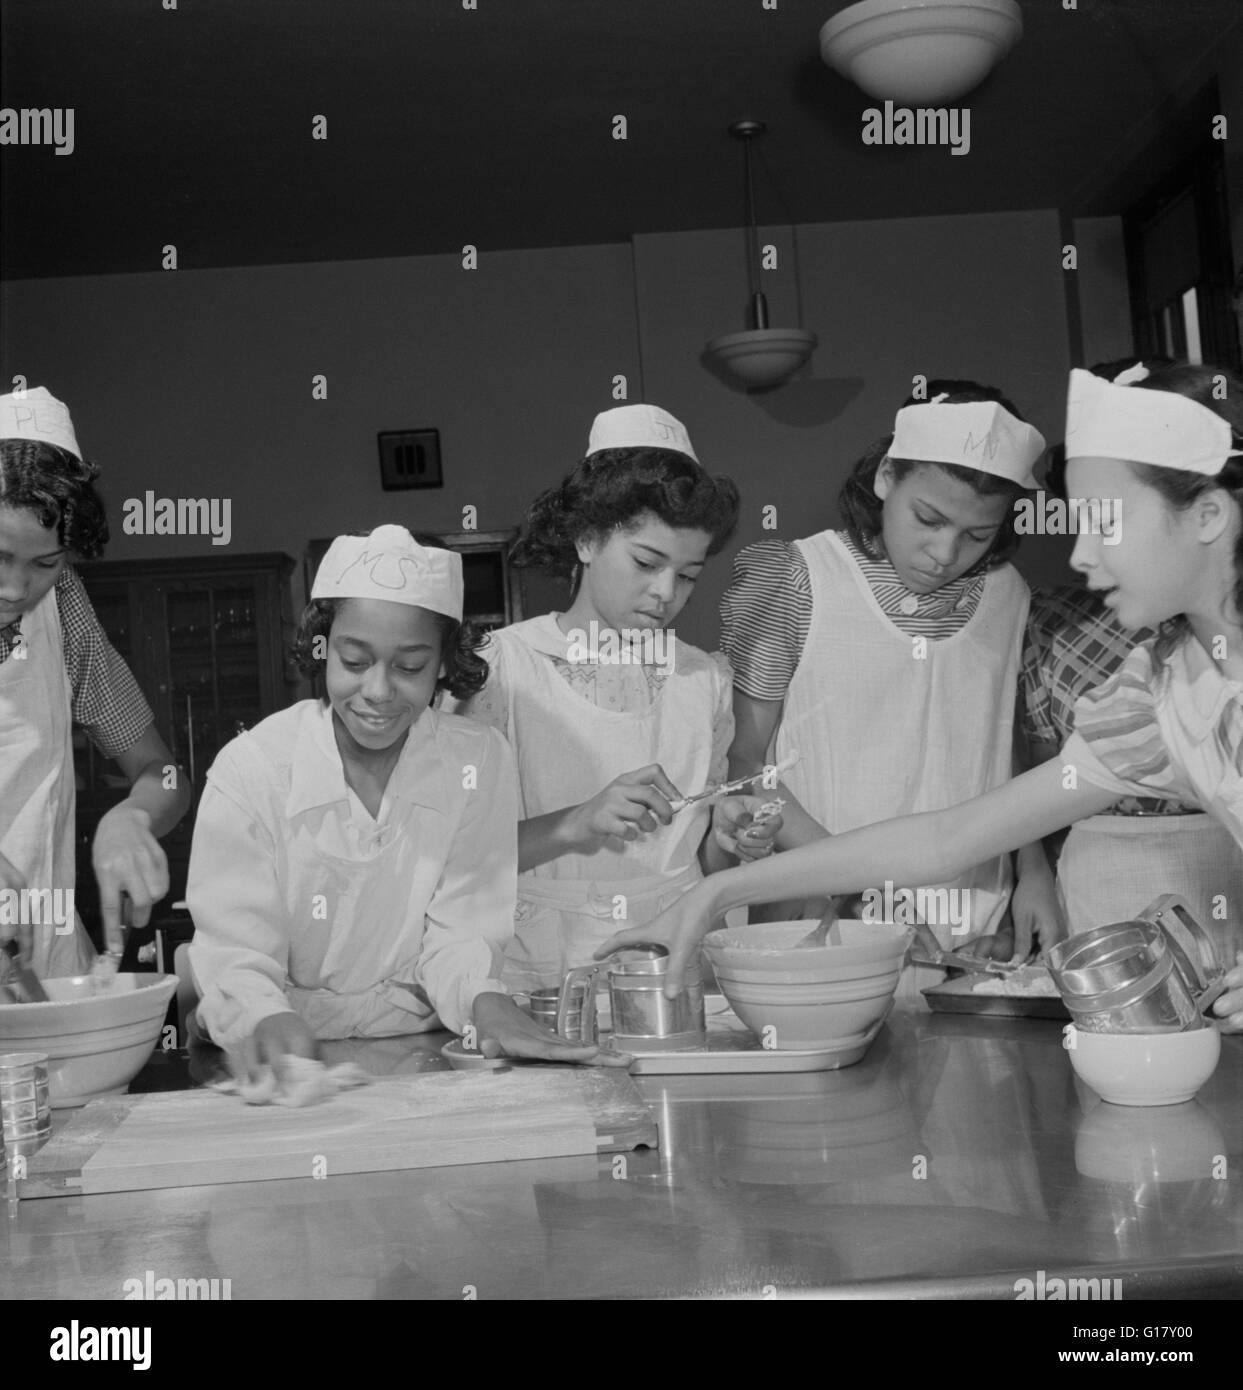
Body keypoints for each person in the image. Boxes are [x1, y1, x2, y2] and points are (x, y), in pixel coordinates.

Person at [601, 362, 1243, 1032]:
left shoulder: (1041, 616)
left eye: (1104, 522)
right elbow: (949, 837)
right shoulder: (1160, 692)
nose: (1079, 556)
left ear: (1205, 515)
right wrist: (716, 893)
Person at [185, 525, 627, 1073]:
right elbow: (233, 947)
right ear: (322, 651)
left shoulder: (476, 757)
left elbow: (463, 924)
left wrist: (486, 1004)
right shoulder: (252, 767)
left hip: (413, 1038)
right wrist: (261, 1017)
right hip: (277, 1042)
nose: (377, 690)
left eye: (410, 667)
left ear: (443, 663)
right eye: (353, 661)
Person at [719, 379, 1050, 976]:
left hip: (973, 928)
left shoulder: (1008, 594)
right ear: (884, 479)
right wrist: (863, 881)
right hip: (819, 921)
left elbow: (1005, 753)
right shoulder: (799, 578)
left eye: (978, 535)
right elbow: (744, 763)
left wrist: (1036, 870)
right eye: (928, 518)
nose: (945, 553)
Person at [444, 405, 778, 992]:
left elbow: (703, 858)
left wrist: (730, 839)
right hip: (541, 974)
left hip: (671, 967)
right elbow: (455, 857)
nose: (666, 594)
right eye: (646, 563)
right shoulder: (503, 672)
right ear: (586, 539)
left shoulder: (703, 680)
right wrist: (578, 821)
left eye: (689, 574)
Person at [0, 387, 189, 979]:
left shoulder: (64, 610)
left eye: (44, 564)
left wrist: (133, 816)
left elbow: (164, 774)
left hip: (46, 970)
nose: (14, 589)